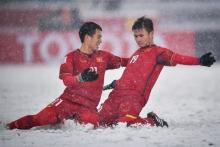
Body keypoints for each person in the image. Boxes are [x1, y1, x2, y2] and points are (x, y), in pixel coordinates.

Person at [7, 22, 128, 129]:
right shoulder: (70, 57)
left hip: (88, 107)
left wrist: (144, 57)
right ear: (87, 38)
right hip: (68, 102)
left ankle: (68, 120)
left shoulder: (105, 57)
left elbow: (125, 62)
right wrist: (80, 78)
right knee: (40, 119)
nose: (101, 41)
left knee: (92, 126)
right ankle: (8, 126)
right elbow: (66, 80)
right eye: (98, 37)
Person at [98, 17, 216, 127]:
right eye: (136, 36)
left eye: (141, 35)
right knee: (98, 122)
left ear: (151, 34)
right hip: (116, 95)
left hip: (133, 98)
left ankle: (152, 120)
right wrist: (115, 83)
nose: (138, 39)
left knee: (125, 124)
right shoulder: (137, 53)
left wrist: (199, 61)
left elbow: (178, 58)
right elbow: (131, 74)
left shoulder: (159, 53)